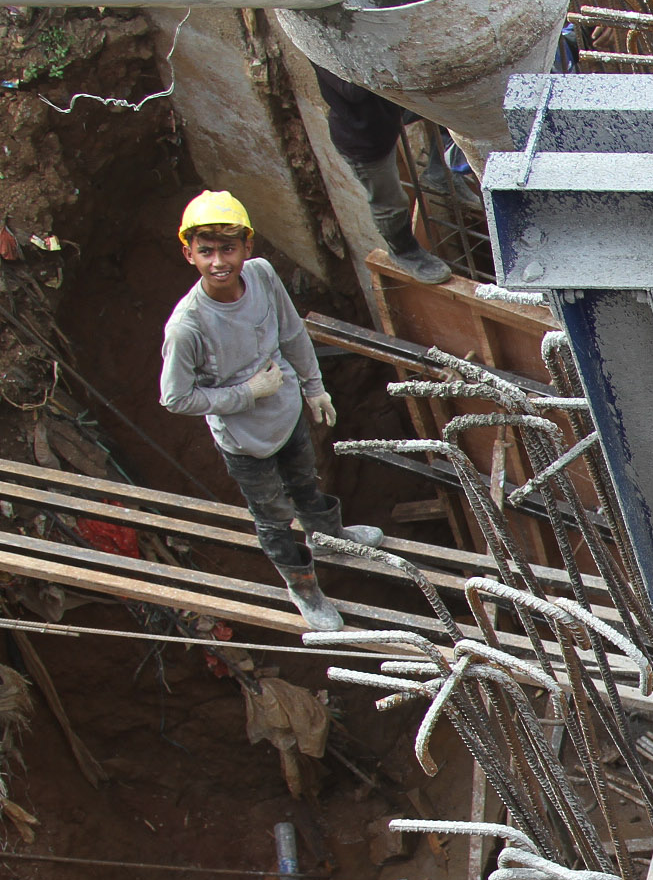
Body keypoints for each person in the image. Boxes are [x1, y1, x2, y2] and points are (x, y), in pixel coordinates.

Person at [159, 191, 383, 633]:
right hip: (245, 441)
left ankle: (330, 539)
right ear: (189, 254)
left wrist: (315, 388)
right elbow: (176, 398)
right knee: (274, 516)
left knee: (305, 481)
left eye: (228, 248)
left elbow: (292, 331)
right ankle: (303, 587)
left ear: (248, 247)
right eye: (206, 251)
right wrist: (246, 393)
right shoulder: (188, 327)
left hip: (288, 413)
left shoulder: (261, 275)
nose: (218, 261)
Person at [311, 62, 453, 285]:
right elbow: (353, 91)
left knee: (449, 100)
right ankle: (405, 251)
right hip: (363, 139)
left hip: (388, 113)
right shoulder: (317, 43)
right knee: (390, 202)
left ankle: (440, 173)